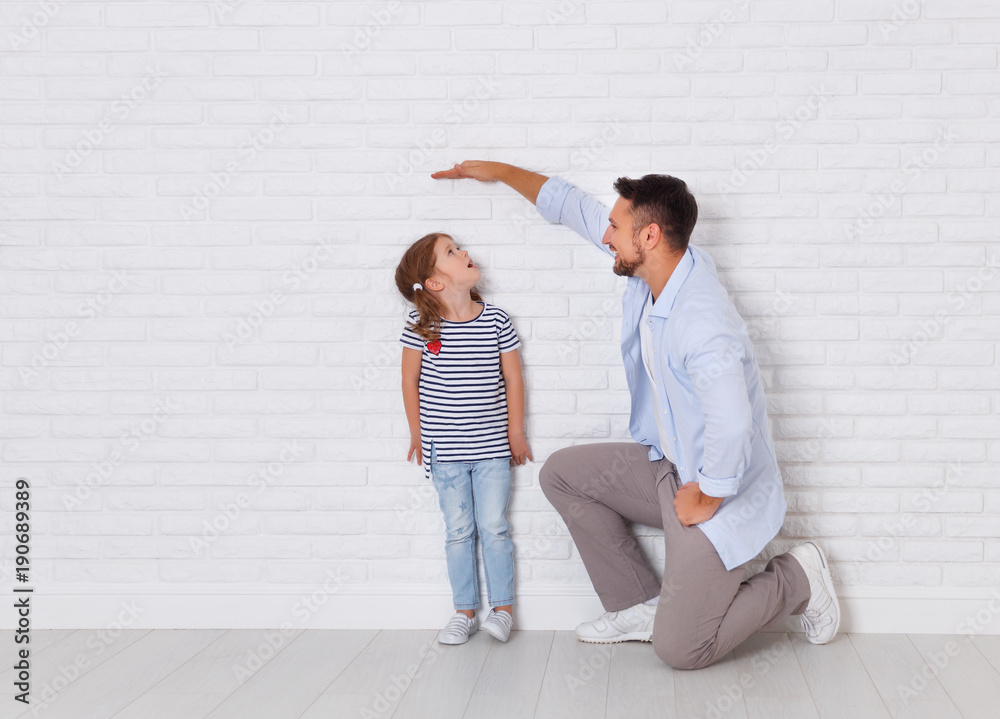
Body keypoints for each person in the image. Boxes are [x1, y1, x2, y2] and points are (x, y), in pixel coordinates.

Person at [431, 161, 840, 670]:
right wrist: (491, 170)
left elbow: (734, 423)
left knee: (682, 650)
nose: (606, 234)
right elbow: (570, 207)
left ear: (649, 234)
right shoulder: (656, 267)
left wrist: (708, 492)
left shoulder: (702, 319)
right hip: (669, 466)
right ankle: (637, 606)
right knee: (563, 475)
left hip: (717, 496)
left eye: (617, 227)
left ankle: (797, 577)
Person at [395, 231, 533, 646]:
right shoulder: (421, 326)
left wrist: (515, 431)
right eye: (451, 252)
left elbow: (512, 378)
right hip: (446, 453)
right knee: (459, 531)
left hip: (491, 449)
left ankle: (503, 610)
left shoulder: (495, 320)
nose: (465, 252)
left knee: (493, 527)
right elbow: (409, 379)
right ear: (435, 282)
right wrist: (417, 432)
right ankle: (464, 611)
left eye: (459, 247)